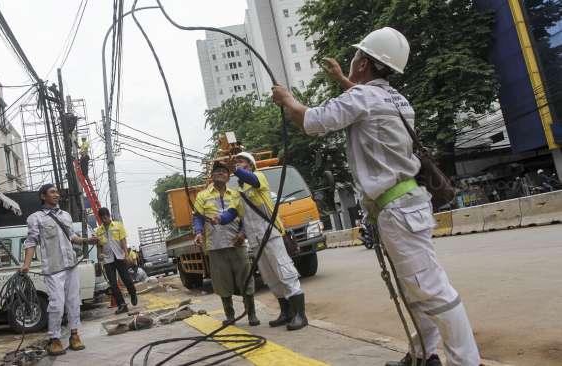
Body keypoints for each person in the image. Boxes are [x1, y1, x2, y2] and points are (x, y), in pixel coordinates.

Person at [271, 27, 480, 366]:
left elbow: (310, 121)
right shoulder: (396, 100)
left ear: (364, 63)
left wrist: (286, 100)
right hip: (405, 204)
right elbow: (364, 103)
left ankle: (466, 361)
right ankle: (423, 354)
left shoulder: (362, 99)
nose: (352, 61)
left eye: (356, 57)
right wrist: (342, 79)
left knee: (432, 290)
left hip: (397, 209)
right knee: (416, 290)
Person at [219, 152, 308, 331]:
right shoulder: (238, 192)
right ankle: (286, 312)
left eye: (241, 161)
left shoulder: (259, 178)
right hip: (255, 240)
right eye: (236, 162)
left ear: (250, 165)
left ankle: (300, 314)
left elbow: (249, 178)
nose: (237, 164)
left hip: (271, 234)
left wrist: (234, 170)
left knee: (284, 271)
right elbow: (232, 213)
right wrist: (218, 219)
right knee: (270, 277)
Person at [21, 183, 98, 356]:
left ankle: (74, 335)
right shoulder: (36, 218)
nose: (56, 195)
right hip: (53, 268)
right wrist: (26, 264)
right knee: (56, 304)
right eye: (52, 192)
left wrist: (88, 241)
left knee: (74, 302)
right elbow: (31, 241)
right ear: (43, 196)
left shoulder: (66, 216)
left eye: (57, 192)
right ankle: (54, 339)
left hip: (71, 265)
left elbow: (73, 238)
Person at [193, 161, 260, 326]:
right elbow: (198, 217)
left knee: (246, 280)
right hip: (215, 247)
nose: (220, 174)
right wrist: (198, 233)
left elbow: (245, 216)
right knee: (222, 283)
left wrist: (243, 233)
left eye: (223, 171)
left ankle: (251, 314)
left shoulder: (236, 194)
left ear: (228, 175)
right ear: (211, 176)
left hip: (237, 244)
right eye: (216, 172)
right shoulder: (202, 195)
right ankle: (230, 316)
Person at [93, 207, 138, 315]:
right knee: (113, 284)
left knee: (126, 279)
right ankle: (122, 305)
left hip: (120, 257)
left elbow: (123, 241)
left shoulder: (118, 226)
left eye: (106, 216)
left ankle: (133, 293)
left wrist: (126, 255)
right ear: (100, 218)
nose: (105, 219)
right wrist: (99, 256)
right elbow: (99, 245)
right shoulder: (99, 231)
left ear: (109, 216)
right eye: (102, 217)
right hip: (108, 260)